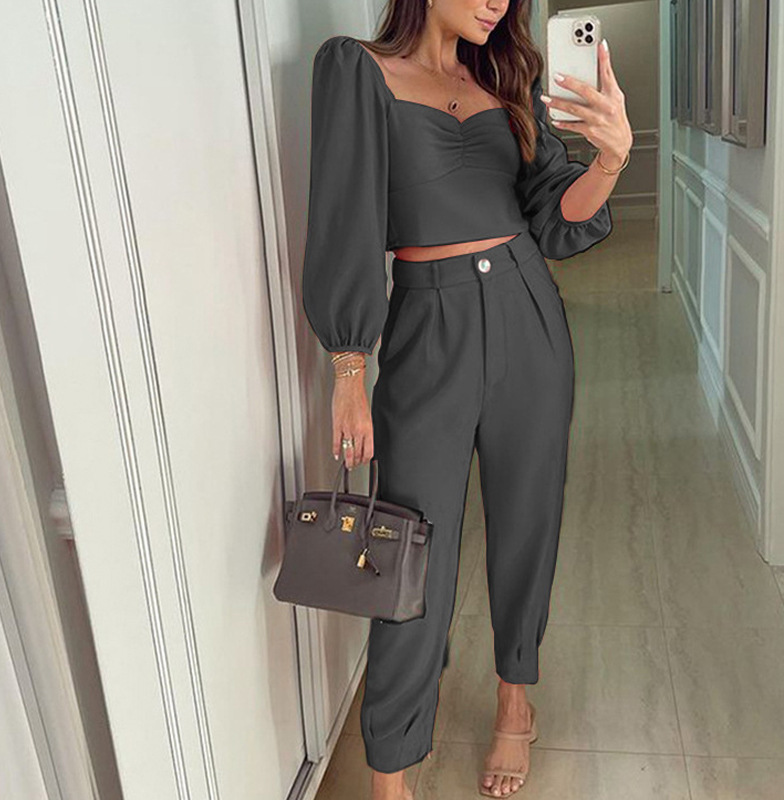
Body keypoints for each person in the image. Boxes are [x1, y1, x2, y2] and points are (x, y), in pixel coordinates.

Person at [301, 1, 632, 797]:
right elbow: (343, 219)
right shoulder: (355, 69)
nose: (497, 4)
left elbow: (556, 218)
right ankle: (390, 772)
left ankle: (515, 703)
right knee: (410, 551)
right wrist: (349, 368)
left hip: (527, 312)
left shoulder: (507, 79)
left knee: (528, 520)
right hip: (428, 327)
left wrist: (611, 160)